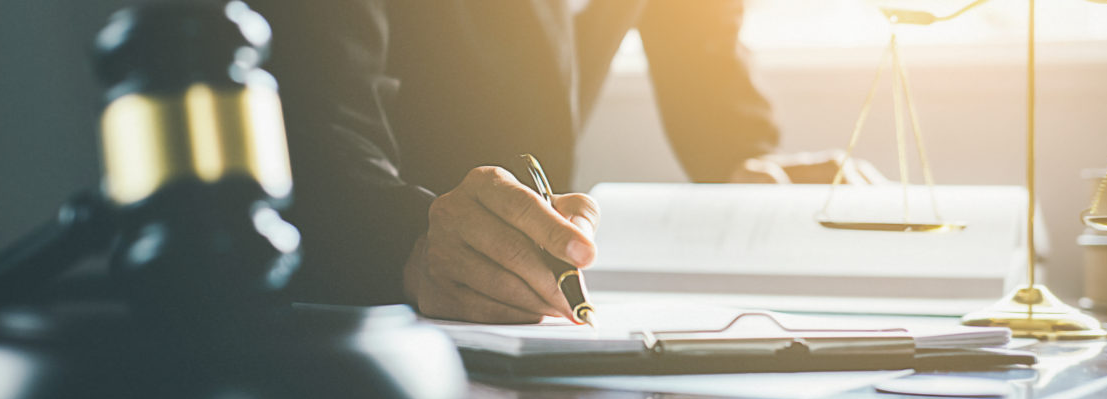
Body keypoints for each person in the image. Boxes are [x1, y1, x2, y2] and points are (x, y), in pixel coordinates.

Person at [249, 0, 881, 324]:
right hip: (347, 298)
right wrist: (405, 242)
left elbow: (693, 23)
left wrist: (742, 153)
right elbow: (311, 116)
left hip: (522, 318)